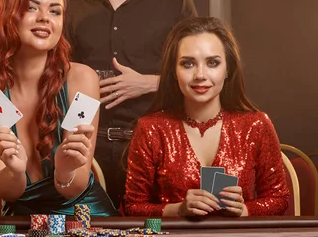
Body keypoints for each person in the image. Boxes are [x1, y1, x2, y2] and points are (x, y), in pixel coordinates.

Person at [0, 0, 119, 216]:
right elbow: (7, 190)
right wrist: (14, 171)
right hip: (22, 223)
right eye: (32, 7)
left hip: (86, 217)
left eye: (55, 11)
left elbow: (74, 186)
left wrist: (65, 171)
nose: (45, 17)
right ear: (7, 15)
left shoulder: (82, 79)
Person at [64, 0, 197, 206]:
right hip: (89, 147)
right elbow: (58, 77)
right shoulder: (73, 9)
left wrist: (151, 83)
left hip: (156, 145)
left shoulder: (174, 1)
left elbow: (200, 72)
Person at [124, 17, 289, 217]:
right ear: (174, 71)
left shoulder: (256, 124)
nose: (200, 74)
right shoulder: (150, 128)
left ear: (228, 69)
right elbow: (132, 207)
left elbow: (279, 200)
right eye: (188, 64)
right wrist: (178, 209)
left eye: (212, 63)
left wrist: (245, 209)